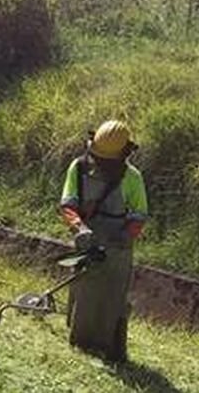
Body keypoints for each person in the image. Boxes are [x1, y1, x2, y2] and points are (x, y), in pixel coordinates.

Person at [59, 120, 148, 363]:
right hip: (86, 238)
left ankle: (110, 348)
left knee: (113, 297)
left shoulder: (132, 177)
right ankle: (80, 340)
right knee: (83, 290)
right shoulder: (78, 168)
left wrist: (124, 237)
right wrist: (79, 227)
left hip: (118, 245)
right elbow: (68, 203)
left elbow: (139, 214)